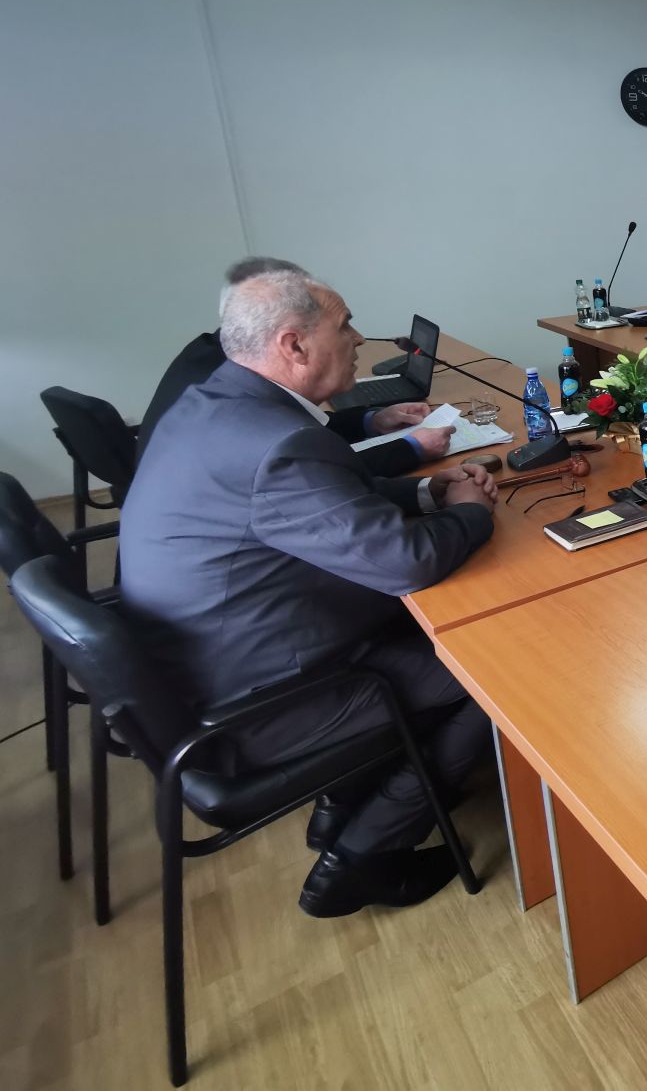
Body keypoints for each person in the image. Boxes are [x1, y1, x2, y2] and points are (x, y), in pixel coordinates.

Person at [119, 270, 500, 916]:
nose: (359, 339)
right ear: (294, 346)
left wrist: (427, 491)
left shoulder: (216, 403)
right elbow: (406, 562)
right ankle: (361, 858)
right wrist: (471, 512)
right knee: (495, 677)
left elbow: (328, 499)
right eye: (345, 325)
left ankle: (344, 802)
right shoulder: (278, 443)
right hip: (256, 704)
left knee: (431, 630)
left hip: (208, 659)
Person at [135, 257, 450, 476]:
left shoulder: (217, 355)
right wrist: (411, 448)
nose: (358, 338)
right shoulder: (222, 391)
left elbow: (302, 430)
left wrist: (372, 421)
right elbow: (313, 472)